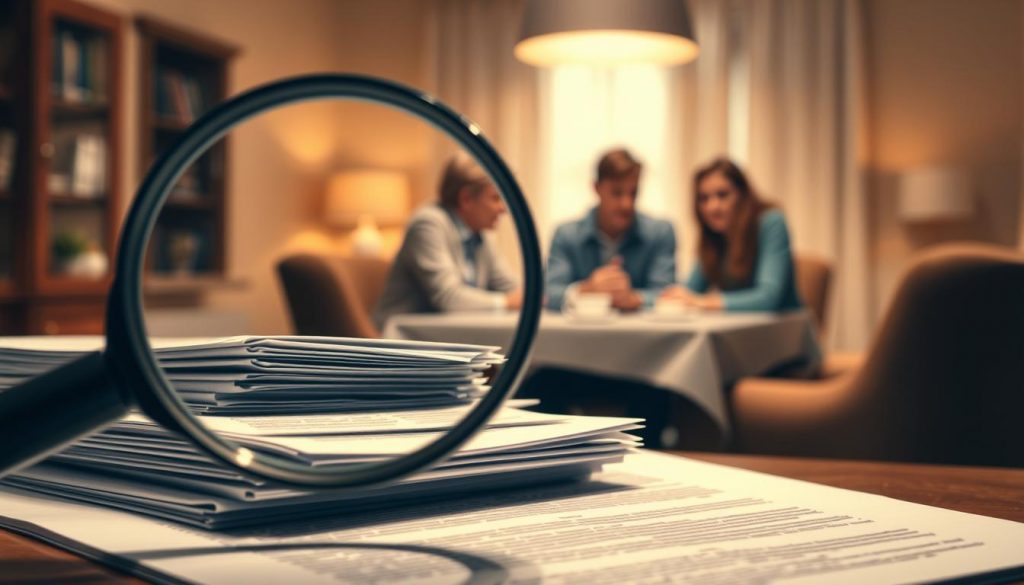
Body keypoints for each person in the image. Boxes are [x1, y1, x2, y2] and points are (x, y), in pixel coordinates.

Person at [373, 154, 522, 329]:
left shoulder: (481, 233)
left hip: (444, 337)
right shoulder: (428, 224)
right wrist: (506, 302)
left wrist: (527, 297)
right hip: (400, 341)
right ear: (466, 198)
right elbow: (448, 298)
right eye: (496, 198)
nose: (503, 208)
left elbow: (510, 287)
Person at [661, 157, 802, 312]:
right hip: (745, 332)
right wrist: (642, 298)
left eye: (722, 195)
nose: (712, 207)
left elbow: (768, 298)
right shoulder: (714, 237)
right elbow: (690, 292)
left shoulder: (771, 222)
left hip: (785, 331)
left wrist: (702, 302)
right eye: (703, 199)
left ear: (743, 195)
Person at [545, 148, 676, 311]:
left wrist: (635, 298)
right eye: (617, 193)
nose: (626, 204)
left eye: (633, 193)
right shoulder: (565, 235)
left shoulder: (661, 233)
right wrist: (586, 290)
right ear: (596, 188)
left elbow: (670, 294)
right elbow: (548, 294)